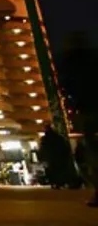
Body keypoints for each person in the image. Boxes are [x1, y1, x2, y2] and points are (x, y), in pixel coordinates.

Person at [59, 31, 98, 207]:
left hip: (87, 108)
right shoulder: (92, 56)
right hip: (87, 106)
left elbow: (66, 85)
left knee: (91, 150)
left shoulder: (69, 61)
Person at [41, 124, 76, 189]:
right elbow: (64, 147)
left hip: (51, 159)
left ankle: (55, 183)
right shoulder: (58, 137)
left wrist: (44, 159)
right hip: (60, 157)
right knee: (61, 170)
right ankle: (63, 182)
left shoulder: (44, 139)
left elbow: (43, 150)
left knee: (53, 171)